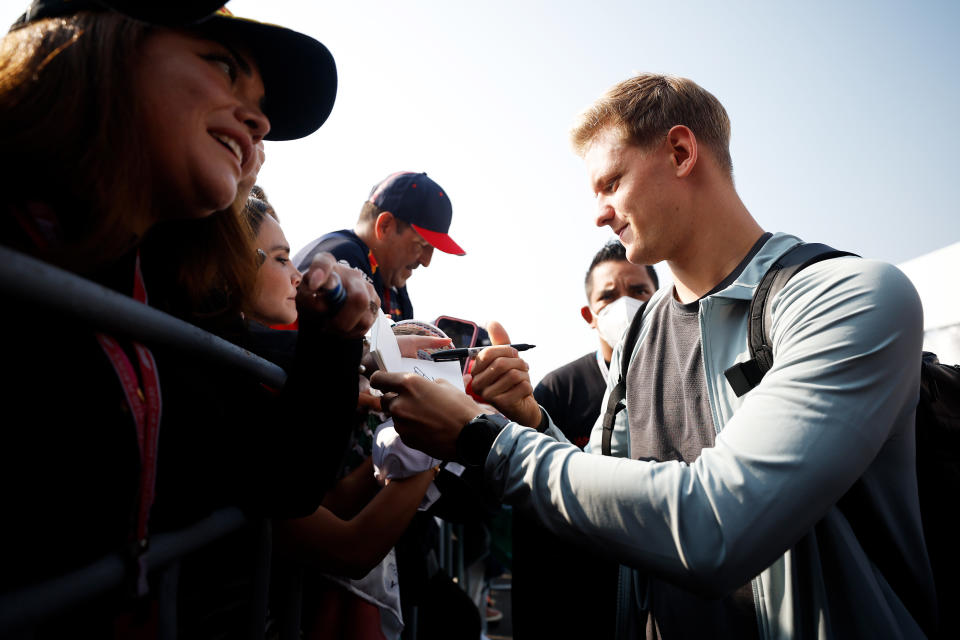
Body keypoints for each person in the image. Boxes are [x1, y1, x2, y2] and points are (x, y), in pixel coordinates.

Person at [372, 73, 935, 638]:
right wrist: (531, 421)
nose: (599, 214)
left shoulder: (847, 297)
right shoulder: (640, 335)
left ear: (682, 152)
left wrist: (483, 439)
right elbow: (609, 491)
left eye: (611, 183)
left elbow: (719, 526)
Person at [0, 2, 378, 634]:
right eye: (224, 66)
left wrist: (331, 342)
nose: (259, 120)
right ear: (101, 45)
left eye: (259, 104)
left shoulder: (167, 290)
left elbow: (277, 479)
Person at [511, 241, 658, 639]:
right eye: (608, 296)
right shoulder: (557, 391)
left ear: (660, 299)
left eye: (639, 291)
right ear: (589, 315)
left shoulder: (682, 384)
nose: (624, 304)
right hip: (575, 597)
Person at [295, 171, 465, 321]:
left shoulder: (392, 284)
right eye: (421, 245)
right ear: (385, 226)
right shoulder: (342, 258)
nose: (426, 261)